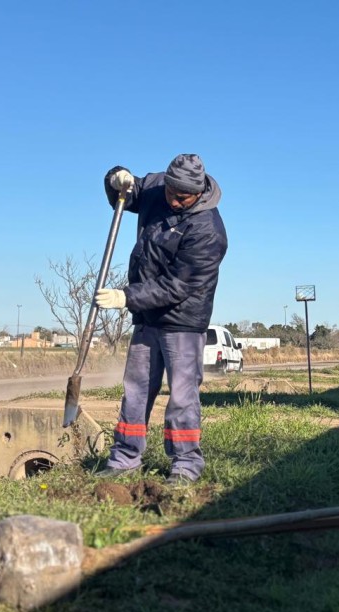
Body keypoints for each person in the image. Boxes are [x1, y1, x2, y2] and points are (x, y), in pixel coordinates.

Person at [93, 154, 228, 484]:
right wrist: (117, 178)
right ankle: (124, 458)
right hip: (147, 317)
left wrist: (127, 296)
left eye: (183, 197)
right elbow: (129, 194)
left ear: (198, 193)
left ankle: (186, 464)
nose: (174, 200)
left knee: (182, 396)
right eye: (171, 192)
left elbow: (178, 285)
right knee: (135, 391)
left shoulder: (208, 231)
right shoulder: (159, 187)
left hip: (182, 320)